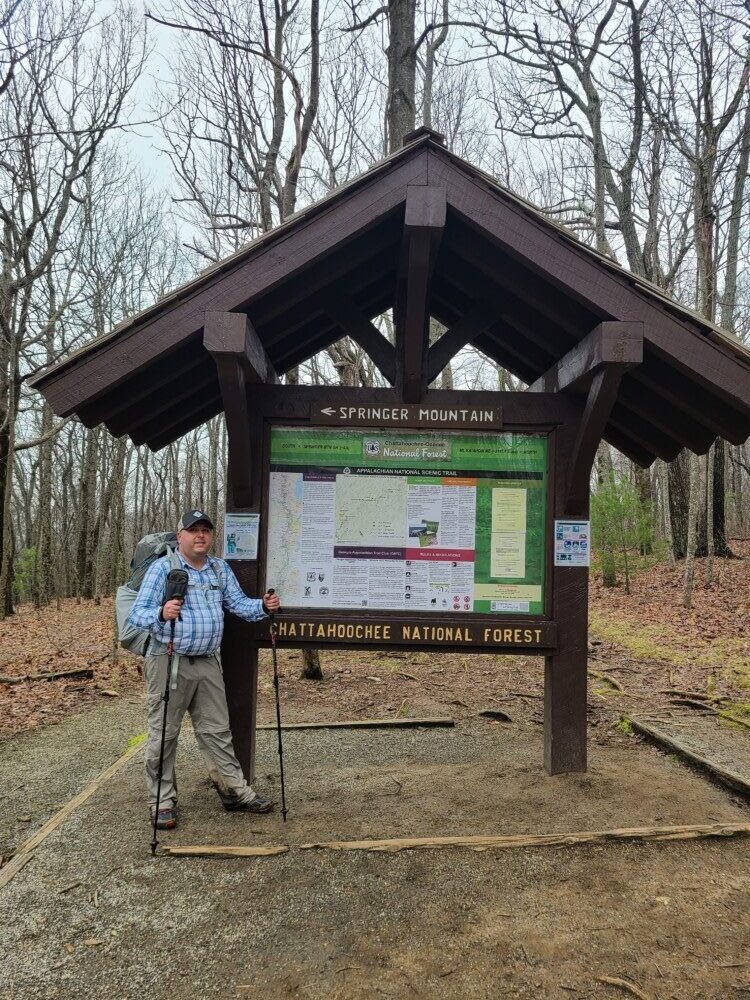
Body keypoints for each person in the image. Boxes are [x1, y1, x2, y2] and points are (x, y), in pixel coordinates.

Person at [128, 507, 281, 830]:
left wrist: (263, 607)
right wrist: (161, 612)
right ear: (180, 536)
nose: (200, 536)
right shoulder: (163, 569)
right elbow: (136, 615)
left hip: (208, 661)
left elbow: (238, 605)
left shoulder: (218, 569)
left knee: (217, 731)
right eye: (193, 530)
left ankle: (234, 792)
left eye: (206, 530)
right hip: (168, 660)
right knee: (164, 734)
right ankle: (161, 801)